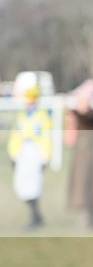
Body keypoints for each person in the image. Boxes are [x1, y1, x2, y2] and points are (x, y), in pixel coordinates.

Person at [7, 85, 51, 230]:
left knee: (33, 185)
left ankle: (35, 217)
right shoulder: (22, 116)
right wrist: (13, 154)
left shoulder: (43, 116)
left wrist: (45, 157)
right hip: (23, 152)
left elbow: (46, 137)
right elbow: (16, 135)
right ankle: (36, 216)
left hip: (36, 152)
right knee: (21, 185)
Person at [67, 79, 93, 229]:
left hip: (90, 157)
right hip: (80, 156)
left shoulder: (90, 116)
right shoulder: (81, 117)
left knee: (90, 186)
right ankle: (86, 217)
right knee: (81, 186)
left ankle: (90, 218)